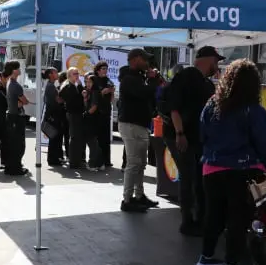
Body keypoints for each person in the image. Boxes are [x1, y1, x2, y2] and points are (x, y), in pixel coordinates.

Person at [197, 59, 266, 265]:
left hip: (211, 168)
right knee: (238, 218)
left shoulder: (212, 105)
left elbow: (202, 135)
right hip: (245, 170)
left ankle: (206, 257)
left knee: (214, 215)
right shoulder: (254, 110)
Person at [162, 46, 223, 236]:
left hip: (195, 138)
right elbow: (174, 107)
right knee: (188, 177)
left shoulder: (206, 83)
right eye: (216, 60)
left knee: (197, 178)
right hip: (181, 135)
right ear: (206, 59)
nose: (217, 64)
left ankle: (199, 219)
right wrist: (180, 133)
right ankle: (187, 222)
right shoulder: (187, 76)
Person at [118, 49, 160, 213]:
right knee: (134, 163)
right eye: (145, 59)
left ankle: (139, 195)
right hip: (131, 124)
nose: (147, 63)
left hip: (139, 124)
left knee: (140, 164)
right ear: (135, 59)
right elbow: (146, 93)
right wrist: (152, 81)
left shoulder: (137, 77)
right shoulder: (129, 79)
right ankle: (127, 200)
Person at [3, 61, 29, 176]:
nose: (20, 70)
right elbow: (25, 101)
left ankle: (11, 167)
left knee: (13, 143)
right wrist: (22, 102)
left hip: (12, 116)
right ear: (14, 70)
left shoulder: (10, 82)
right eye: (18, 68)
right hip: (16, 117)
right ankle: (15, 168)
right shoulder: (15, 85)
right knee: (18, 144)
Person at [59, 67, 86, 169]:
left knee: (77, 137)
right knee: (74, 137)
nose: (77, 75)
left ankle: (77, 159)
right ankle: (73, 161)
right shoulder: (67, 86)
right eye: (75, 74)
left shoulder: (75, 85)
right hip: (73, 113)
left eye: (78, 73)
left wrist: (80, 88)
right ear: (69, 75)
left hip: (77, 113)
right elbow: (62, 96)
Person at [92, 61, 115, 167]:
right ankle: (98, 160)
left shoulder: (108, 80)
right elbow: (92, 94)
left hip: (106, 111)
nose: (105, 70)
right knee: (98, 137)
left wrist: (111, 92)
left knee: (106, 137)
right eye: (103, 69)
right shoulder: (94, 80)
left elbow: (111, 97)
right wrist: (102, 92)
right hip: (97, 112)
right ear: (98, 70)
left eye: (106, 68)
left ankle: (107, 160)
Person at [42, 68, 64, 166]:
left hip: (55, 114)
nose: (57, 73)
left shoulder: (53, 85)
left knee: (56, 137)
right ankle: (52, 159)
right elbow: (58, 100)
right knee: (54, 137)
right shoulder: (50, 86)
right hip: (53, 115)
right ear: (50, 74)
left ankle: (56, 157)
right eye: (55, 72)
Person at [83, 74, 104, 171]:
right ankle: (100, 163)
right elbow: (87, 104)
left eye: (90, 82)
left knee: (92, 142)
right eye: (86, 81)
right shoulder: (90, 92)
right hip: (91, 118)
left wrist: (86, 114)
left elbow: (94, 107)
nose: (87, 84)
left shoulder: (95, 92)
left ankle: (92, 164)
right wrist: (85, 98)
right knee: (93, 142)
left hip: (92, 119)